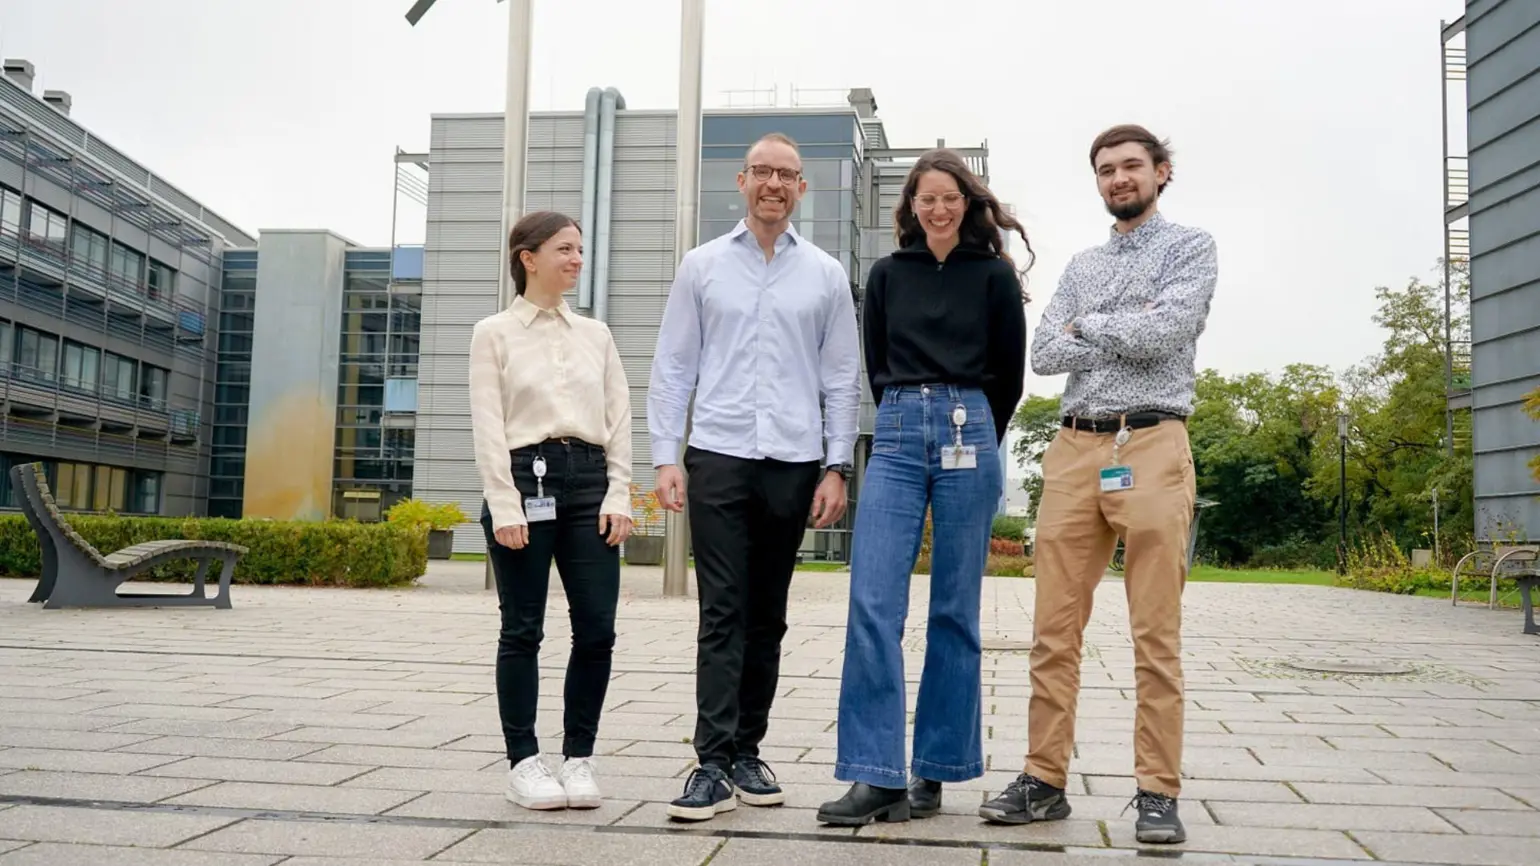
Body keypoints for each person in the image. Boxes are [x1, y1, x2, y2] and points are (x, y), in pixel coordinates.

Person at [979, 124, 1217, 845]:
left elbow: (1171, 329)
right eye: (1106, 170)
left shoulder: (1192, 248)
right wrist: (1119, 322)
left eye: (1131, 167)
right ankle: (1044, 779)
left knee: (1155, 632)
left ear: (1161, 172)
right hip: (1077, 447)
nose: (1118, 179)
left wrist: (1093, 325)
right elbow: (1046, 350)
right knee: (1053, 631)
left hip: (1151, 440)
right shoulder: (1081, 263)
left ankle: (1156, 792)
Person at [648, 132, 862, 822]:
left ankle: (748, 750)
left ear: (803, 189)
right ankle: (709, 761)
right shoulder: (702, 266)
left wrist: (836, 466)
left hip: (795, 463)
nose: (774, 183)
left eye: (788, 175)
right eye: (763, 172)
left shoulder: (825, 275)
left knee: (767, 614)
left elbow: (840, 377)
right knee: (723, 610)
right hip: (718, 455)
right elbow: (674, 365)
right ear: (741, 181)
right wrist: (663, 454)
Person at [816, 149, 1029, 826]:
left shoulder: (994, 276)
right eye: (925, 199)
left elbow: (1010, 373)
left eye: (950, 197)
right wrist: (912, 414)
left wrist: (973, 430)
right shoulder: (887, 275)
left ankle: (933, 771)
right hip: (902, 431)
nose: (938, 208)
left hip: (972, 430)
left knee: (954, 611)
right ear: (909, 208)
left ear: (968, 204)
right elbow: (876, 364)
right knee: (873, 601)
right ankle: (876, 776)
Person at [468, 210, 634, 812]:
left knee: (598, 630)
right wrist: (503, 503)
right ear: (527, 257)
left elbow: (619, 419)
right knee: (523, 629)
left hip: (589, 482)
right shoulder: (494, 333)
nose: (577, 259)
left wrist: (620, 492)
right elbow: (488, 426)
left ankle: (578, 758)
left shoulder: (597, 335)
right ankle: (524, 762)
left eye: (580, 250)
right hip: (522, 478)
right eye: (565, 249)